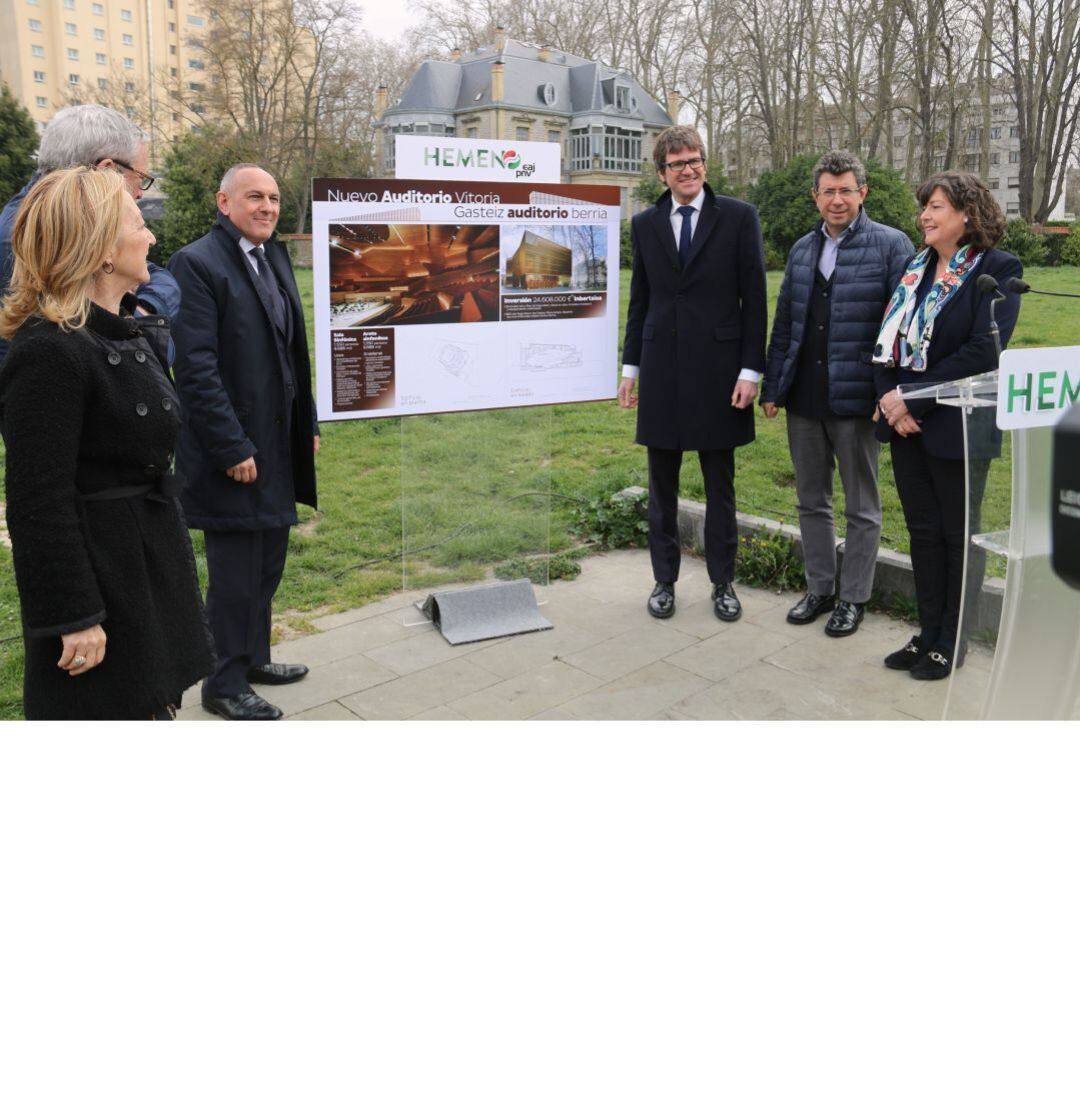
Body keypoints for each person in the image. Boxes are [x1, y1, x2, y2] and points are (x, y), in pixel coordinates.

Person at [0, 168, 214, 720]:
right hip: (102, 582)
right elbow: (36, 500)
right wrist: (74, 614)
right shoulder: (51, 351)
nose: (152, 238)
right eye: (139, 224)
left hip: (144, 561)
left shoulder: (116, 329)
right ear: (100, 250)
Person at [168, 163, 319, 721]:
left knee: (267, 563)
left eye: (275, 198)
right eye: (254, 197)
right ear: (223, 202)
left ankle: (254, 657)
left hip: (278, 443)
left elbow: (291, 353)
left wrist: (309, 426)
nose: (267, 207)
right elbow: (197, 368)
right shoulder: (197, 263)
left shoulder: (273, 255)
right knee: (235, 570)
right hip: (232, 450)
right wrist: (231, 447)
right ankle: (222, 682)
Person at [873, 170, 1022, 679]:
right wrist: (890, 399)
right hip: (906, 424)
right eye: (925, 207)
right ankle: (928, 630)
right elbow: (887, 343)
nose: (925, 216)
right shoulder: (914, 271)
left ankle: (952, 638)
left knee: (958, 536)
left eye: (936, 206)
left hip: (957, 425)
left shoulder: (998, 269)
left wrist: (913, 398)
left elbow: (986, 347)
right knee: (923, 533)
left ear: (967, 214)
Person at [762, 151, 914, 637]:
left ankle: (854, 597)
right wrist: (773, 386)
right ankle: (819, 588)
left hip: (857, 401)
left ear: (862, 193)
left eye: (846, 189)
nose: (837, 199)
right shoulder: (803, 250)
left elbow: (901, 329)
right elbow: (785, 323)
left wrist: (886, 392)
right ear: (815, 196)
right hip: (804, 398)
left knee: (862, 505)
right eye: (828, 190)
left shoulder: (892, 246)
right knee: (811, 500)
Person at [619, 125, 767, 622]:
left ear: (705, 163)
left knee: (719, 483)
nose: (688, 170)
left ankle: (723, 582)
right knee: (662, 484)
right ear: (662, 173)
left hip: (720, 372)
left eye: (695, 160)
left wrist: (751, 370)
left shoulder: (739, 218)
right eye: (678, 163)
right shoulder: (645, 225)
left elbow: (755, 301)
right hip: (662, 369)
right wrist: (630, 367)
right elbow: (641, 301)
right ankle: (664, 580)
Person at [0, 104, 178, 370]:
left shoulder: (64, 225)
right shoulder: (31, 237)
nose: (141, 193)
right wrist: (135, 325)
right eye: (140, 178)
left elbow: (160, 278)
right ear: (105, 170)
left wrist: (143, 309)